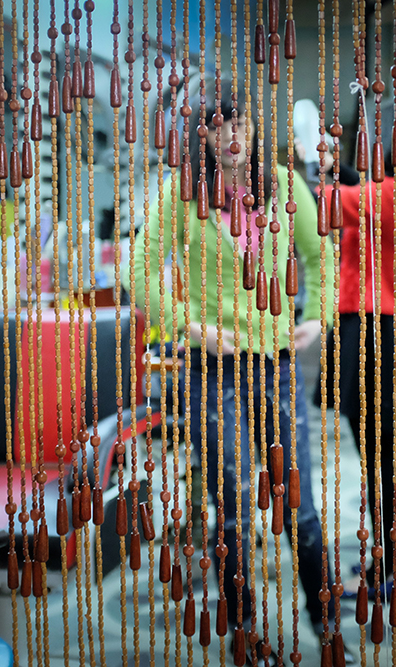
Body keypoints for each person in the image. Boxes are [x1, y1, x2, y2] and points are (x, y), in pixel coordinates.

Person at [129, 80, 343, 663]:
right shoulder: (182, 194)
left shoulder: (284, 186)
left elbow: (322, 253)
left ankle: (327, 629)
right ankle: (243, 634)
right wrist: (188, 325)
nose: (231, 135)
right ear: (202, 137)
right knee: (233, 507)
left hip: (276, 367)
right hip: (211, 370)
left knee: (298, 503)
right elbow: (138, 268)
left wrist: (318, 316)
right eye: (218, 126)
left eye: (239, 123)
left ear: (253, 126)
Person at [321, 107, 396, 596]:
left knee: (380, 451)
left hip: (378, 334)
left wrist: (311, 164)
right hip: (377, 328)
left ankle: (390, 561)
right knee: (382, 450)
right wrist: (337, 167)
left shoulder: (390, 195)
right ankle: (393, 555)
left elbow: (326, 203)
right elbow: (352, 188)